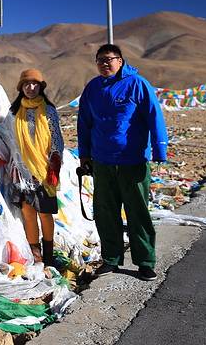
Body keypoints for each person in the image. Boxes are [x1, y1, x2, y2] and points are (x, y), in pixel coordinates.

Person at [77, 44, 168, 281]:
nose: (104, 64)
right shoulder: (92, 88)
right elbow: (84, 123)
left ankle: (145, 262)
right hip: (102, 162)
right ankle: (111, 259)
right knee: (106, 213)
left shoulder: (137, 84)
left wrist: (160, 149)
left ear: (120, 60)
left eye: (109, 59)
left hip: (133, 161)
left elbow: (154, 116)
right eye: (100, 60)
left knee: (137, 212)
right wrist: (84, 154)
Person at [5, 68, 64, 266]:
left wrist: (54, 164)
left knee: (45, 213)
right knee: (28, 213)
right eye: (27, 84)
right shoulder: (13, 113)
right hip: (22, 172)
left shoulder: (49, 111)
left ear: (41, 87)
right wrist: (20, 168)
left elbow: (57, 140)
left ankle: (49, 256)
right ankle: (36, 257)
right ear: (21, 87)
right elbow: (11, 142)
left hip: (44, 170)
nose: (31, 88)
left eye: (35, 84)